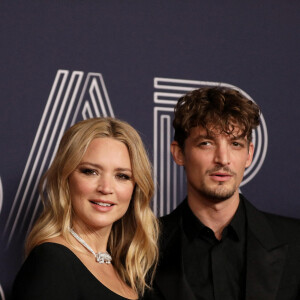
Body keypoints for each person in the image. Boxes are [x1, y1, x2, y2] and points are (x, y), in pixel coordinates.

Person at [143, 87, 300, 300]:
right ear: (179, 153)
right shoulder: (143, 247)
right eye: (206, 143)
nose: (223, 159)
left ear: (249, 155)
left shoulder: (294, 241)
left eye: (235, 144)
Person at [12, 117, 159, 300]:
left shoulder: (129, 270)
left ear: (135, 187)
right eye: (90, 171)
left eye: (122, 176)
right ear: (65, 179)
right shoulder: (52, 261)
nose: (106, 188)